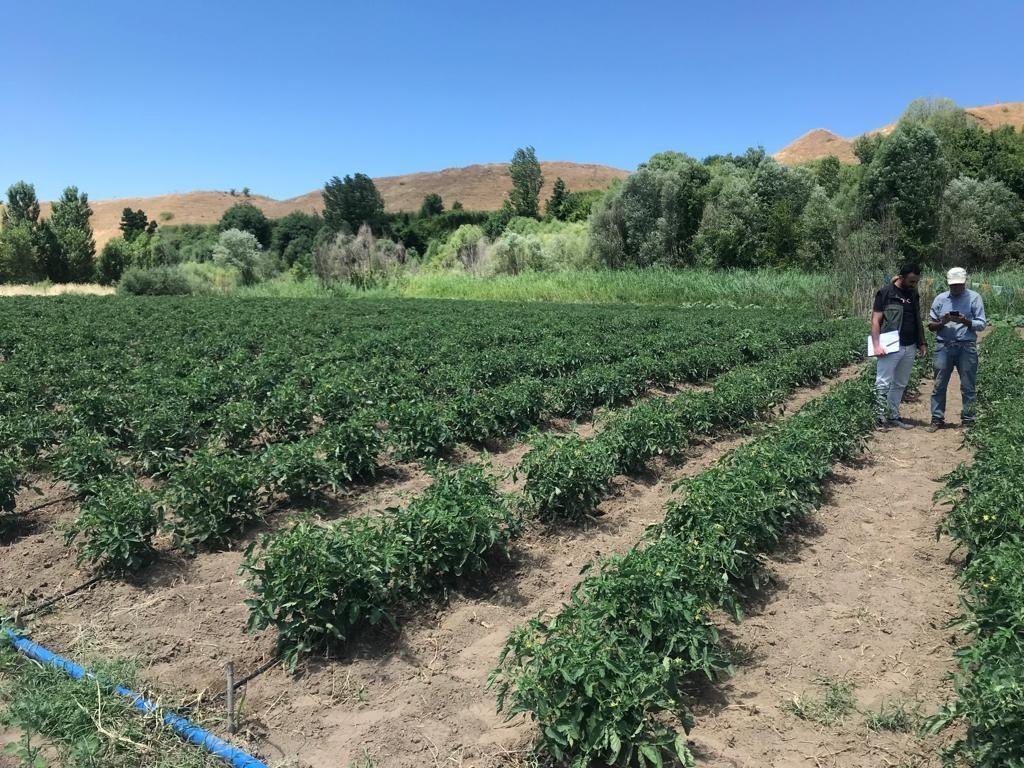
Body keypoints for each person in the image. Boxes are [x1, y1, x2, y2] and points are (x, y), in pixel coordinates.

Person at [926, 267, 987, 432]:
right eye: (953, 285)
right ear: (948, 283)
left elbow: (981, 324)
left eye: (959, 284)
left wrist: (966, 321)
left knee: (968, 386)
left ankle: (968, 419)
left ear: (965, 282)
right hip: (943, 345)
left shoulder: (974, 298)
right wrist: (943, 322)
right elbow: (931, 325)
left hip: (966, 346)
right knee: (939, 385)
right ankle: (937, 419)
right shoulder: (940, 299)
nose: (956, 288)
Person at [871, 263, 927, 429]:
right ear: (901, 278)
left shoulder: (913, 293)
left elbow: (917, 318)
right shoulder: (886, 293)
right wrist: (876, 345)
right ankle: (879, 417)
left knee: (900, 383)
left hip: (910, 345)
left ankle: (893, 415)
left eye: (916, 281)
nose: (913, 284)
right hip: (890, 345)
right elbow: (876, 320)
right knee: (883, 382)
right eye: (911, 281)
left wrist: (922, 342)